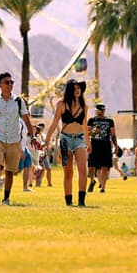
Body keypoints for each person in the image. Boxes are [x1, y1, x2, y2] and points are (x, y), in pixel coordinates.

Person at [0, 72, 34, 206]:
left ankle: (6, 198)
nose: (10, 85)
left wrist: (32, 136)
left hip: (14, 139)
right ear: (0, 85)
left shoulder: (19, 101)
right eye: (6, 82)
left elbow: (26, 119)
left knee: (10, 170)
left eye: (11, 82)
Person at [45, 79, 89, 207]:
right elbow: (54, 123)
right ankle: (69, 201)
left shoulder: (84, 106)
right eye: (75, 88)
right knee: (68, 172)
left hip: (80, 139)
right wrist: (47, 140)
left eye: (79, 88)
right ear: (70, 90)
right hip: (65, 140)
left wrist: (88, 141)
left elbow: (85, 125)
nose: (77, 90)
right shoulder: (62, 105)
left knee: (82, 170)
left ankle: (82, 200)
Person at [87, 103, 117, 194]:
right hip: (94, 144)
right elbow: (87, 133)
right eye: (99, 110)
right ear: (96, 111)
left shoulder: (109, 121)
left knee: (105, 166)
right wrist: (93, 131)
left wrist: (116, 146)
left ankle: (103, 187)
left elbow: (113, 134)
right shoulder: (91, 120)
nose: (101, 112)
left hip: (106, 145)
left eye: (102, 110)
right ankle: (92, 181)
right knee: (91, 166)